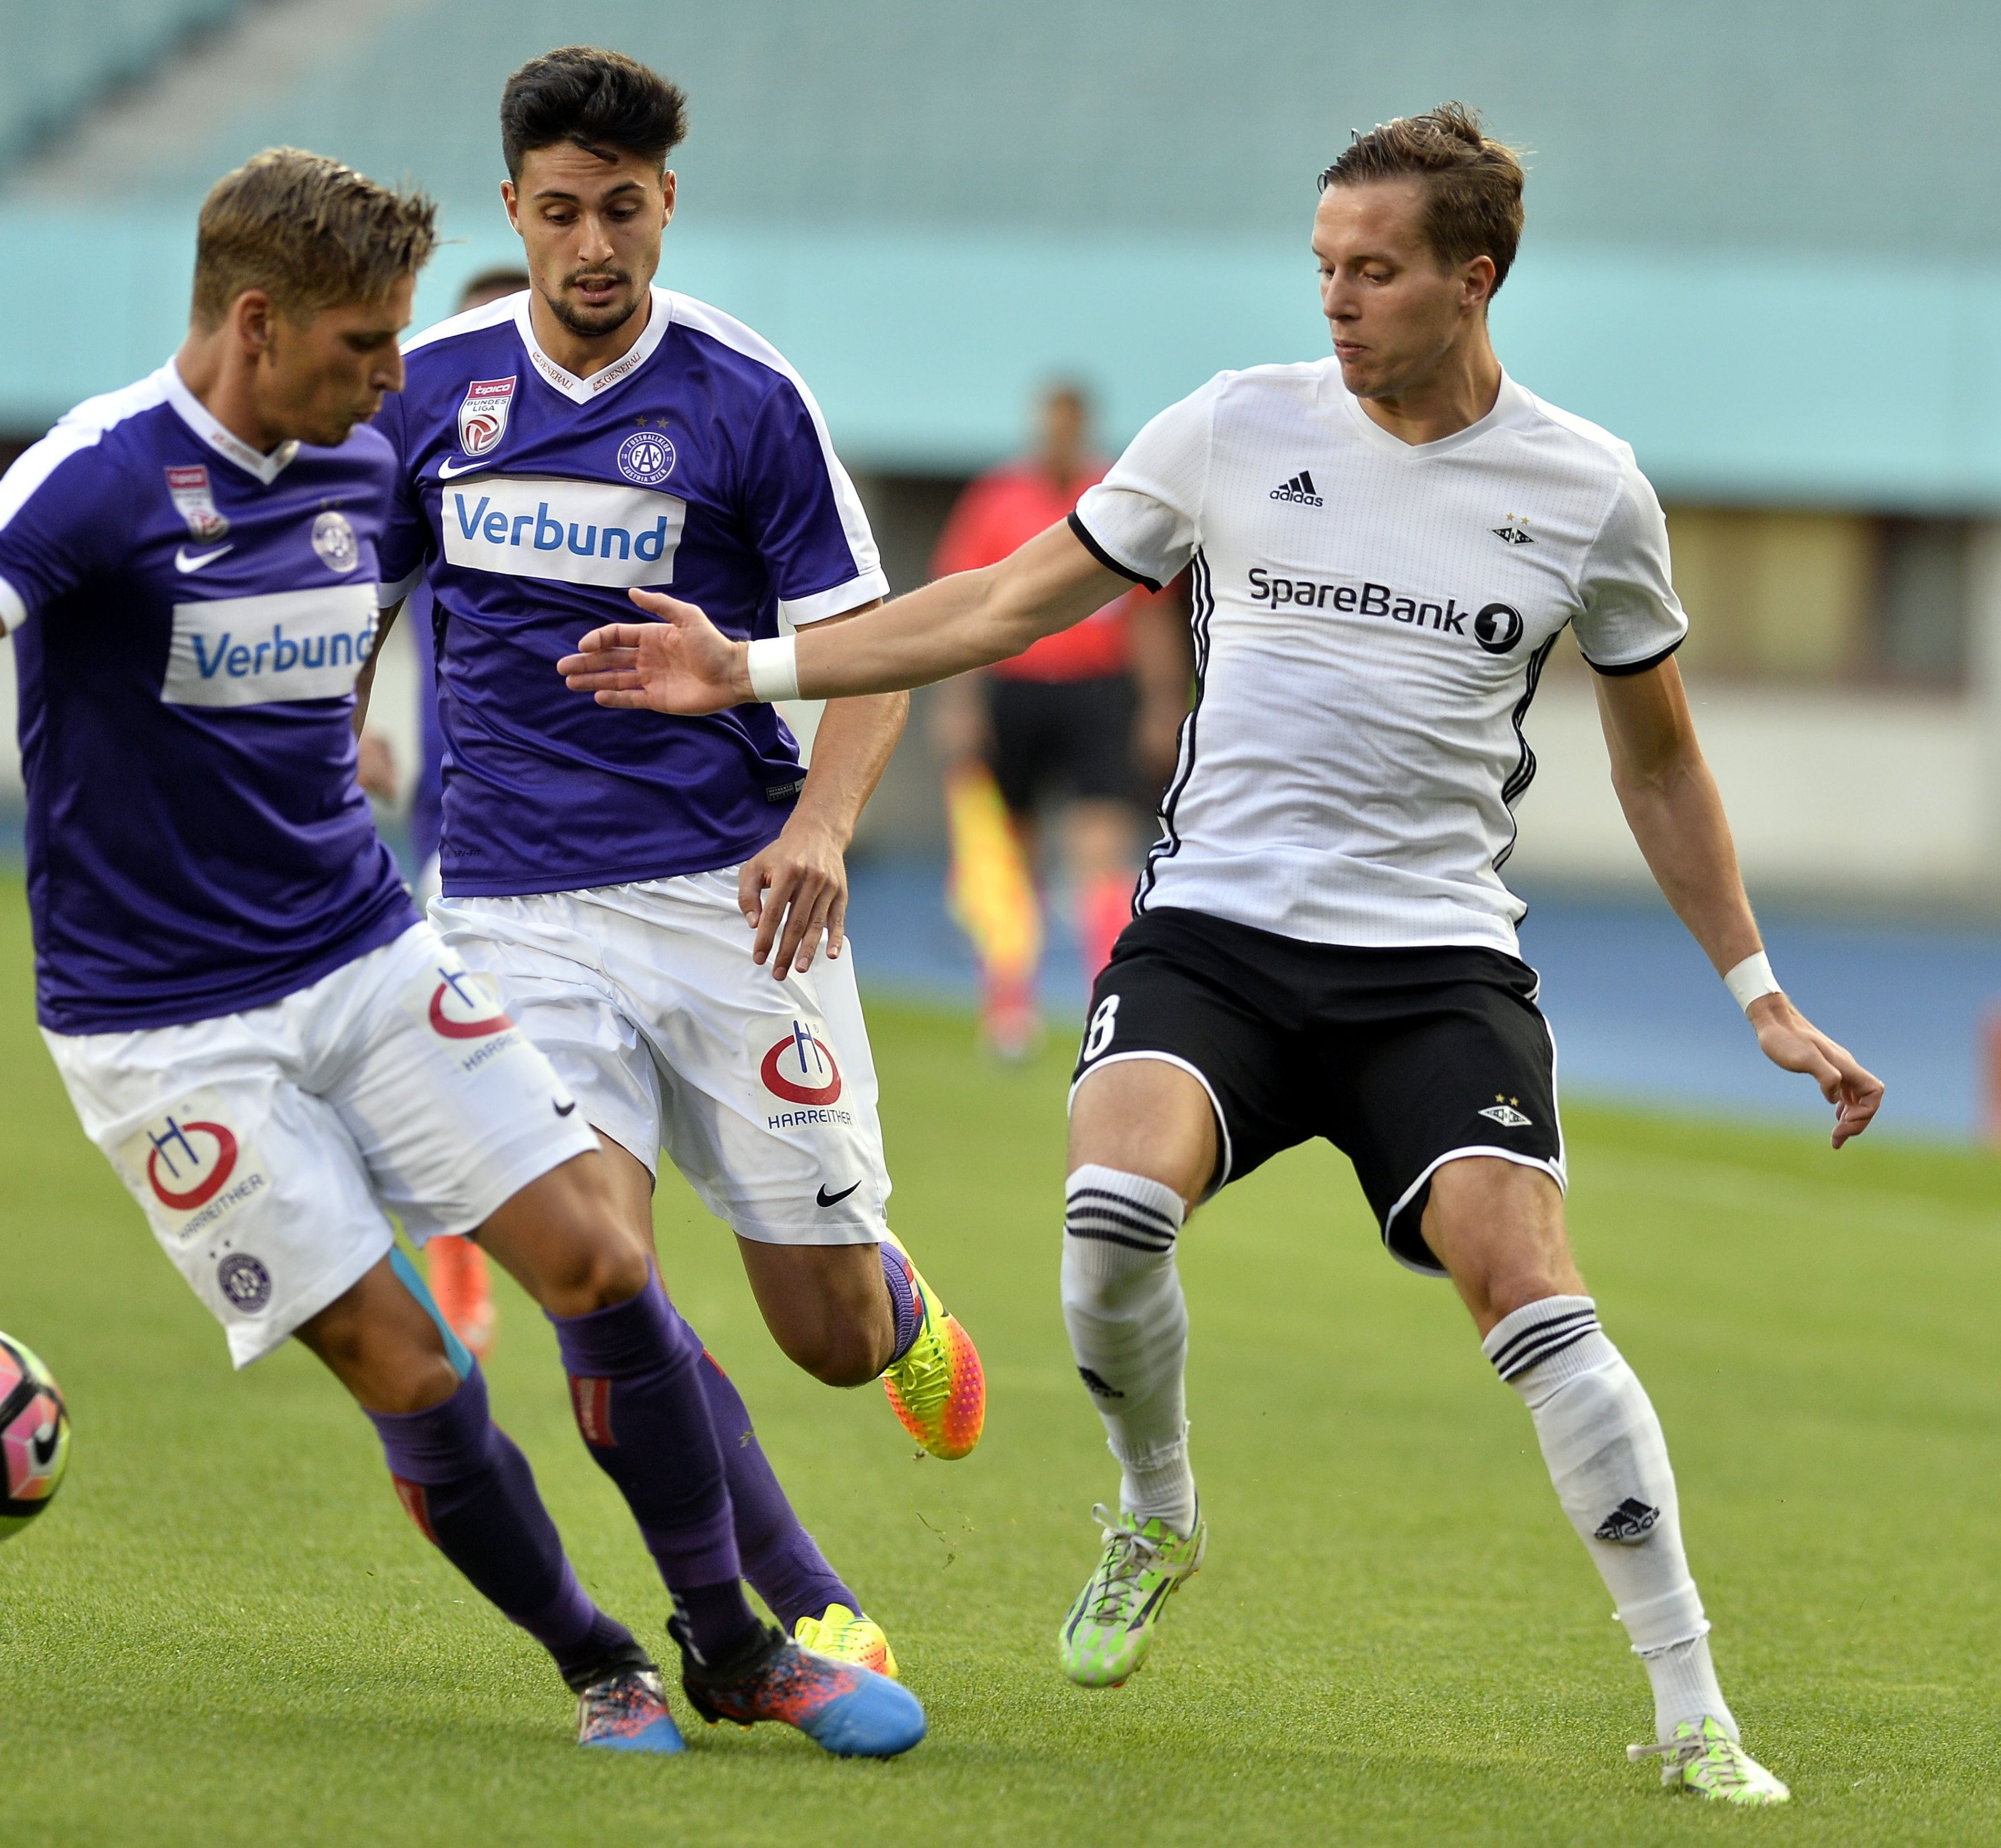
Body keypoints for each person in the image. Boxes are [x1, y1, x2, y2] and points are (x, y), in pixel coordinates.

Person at [560, 104, 1892, 1804]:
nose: (1338, 297)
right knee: (1111, 1214)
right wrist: (751, 669)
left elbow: (1661, 763)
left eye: (1378, 270)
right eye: (1325, 263)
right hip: (1217, 941)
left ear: (1477, 278)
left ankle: (1693, 1708)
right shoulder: (1235, 426)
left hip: (1435, 968)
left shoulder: (1589, 490)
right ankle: (1155, 1507)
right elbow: (1006, 601)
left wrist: (1758, 991)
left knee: (1533, 1288)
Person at [3, 148, 920, 1759]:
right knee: (409, 1363)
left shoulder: (366, 455)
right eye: (367, 344)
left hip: (363, 950)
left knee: (603, 1267)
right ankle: (598, 1662)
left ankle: (734, 1644)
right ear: (259, 322)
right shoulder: (93, 479)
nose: (395, 377)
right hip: (163, 1025)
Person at [362, 47, 986, 1640]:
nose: (593, 246)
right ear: (514, 207)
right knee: (600, 1280)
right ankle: (796, 1608)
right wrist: (324, 747)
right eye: (561, 211)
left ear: (666, 205)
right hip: (512, 905)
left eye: (623, 210)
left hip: (733, 895)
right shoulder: (427, 390)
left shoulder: (745, 394)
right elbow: (346, 598)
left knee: (826, 1336)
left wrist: (823, 824)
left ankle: (891, 1294)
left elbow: (873, 644)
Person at [359, 265, 529, 1361]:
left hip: (591, 828)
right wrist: (351, 723)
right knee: (443, 1043)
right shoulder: (428, 453)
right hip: (453, 812)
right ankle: (457, 1257)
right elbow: (359, 592)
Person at [927, 384, 1189, 1056]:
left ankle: (1107, 1001)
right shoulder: (997, 497)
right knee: (1007, 851)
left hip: (1097, 692)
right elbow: (963, 604)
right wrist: (958, 701)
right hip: (1015, 690)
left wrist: (1163, 702)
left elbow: (1148, 613)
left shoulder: (1114, 498)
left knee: (1100, 847)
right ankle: (1008, 1004)